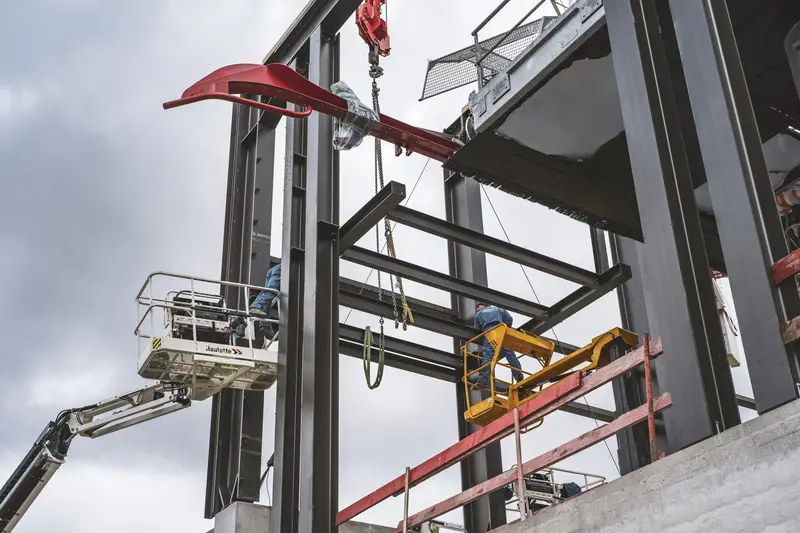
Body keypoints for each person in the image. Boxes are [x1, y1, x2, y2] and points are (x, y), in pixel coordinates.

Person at [469, 302, 524, 388]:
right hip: (502, 330)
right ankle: (519, 377)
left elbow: (476, 329)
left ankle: (483, 381)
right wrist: (506, 328)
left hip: (489, 333)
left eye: (478, 307)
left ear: (484, 306)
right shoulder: (500, 309)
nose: (477, 309)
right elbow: (509, 318)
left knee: (488, 358)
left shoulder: (479, 314)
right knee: (510, 355)